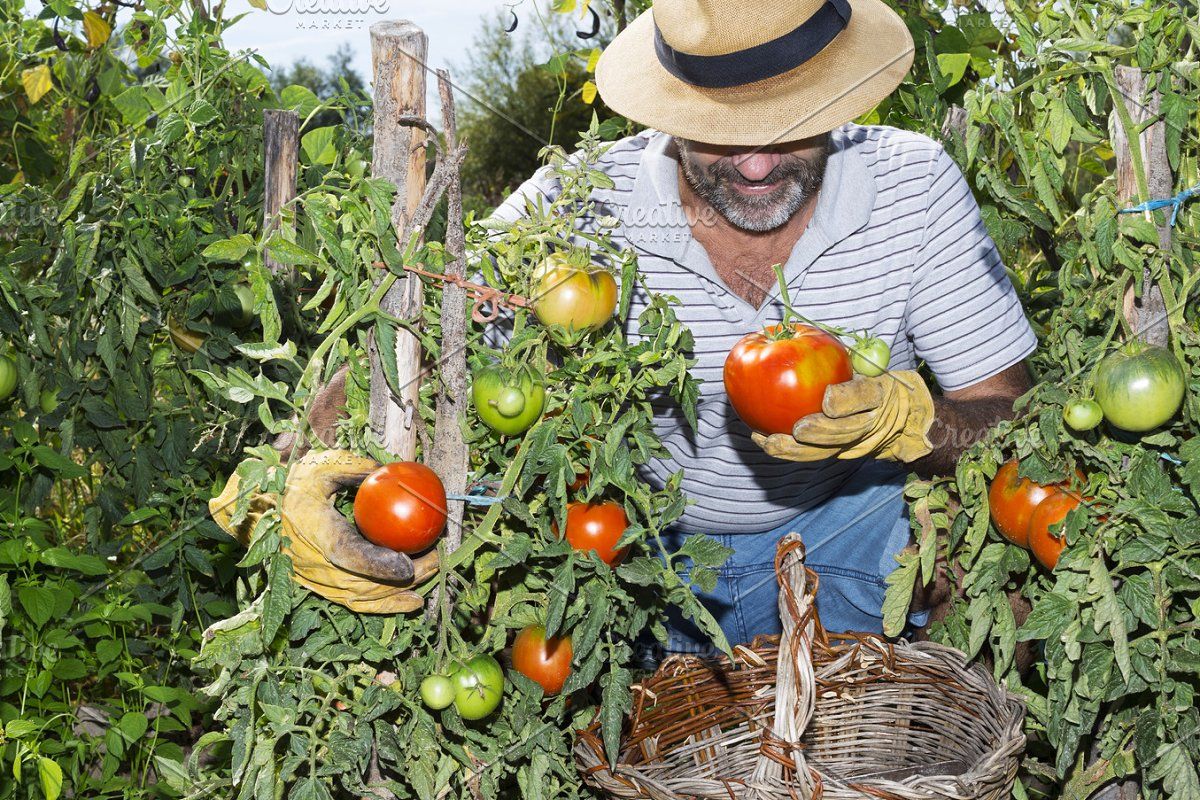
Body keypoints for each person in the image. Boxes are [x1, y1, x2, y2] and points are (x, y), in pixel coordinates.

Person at [484, 0, 1036, 654]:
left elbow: (1011, 419)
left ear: (838, 95)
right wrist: (331, 464)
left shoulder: (911, 184)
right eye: (718, 130)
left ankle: (956, 733)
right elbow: (420, 345)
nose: (754, 167)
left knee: (993, 546)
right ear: (667, 112)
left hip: (856, 531)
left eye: (789, 123)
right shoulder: (571, 210)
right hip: (646, 558)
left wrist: (911, 423)